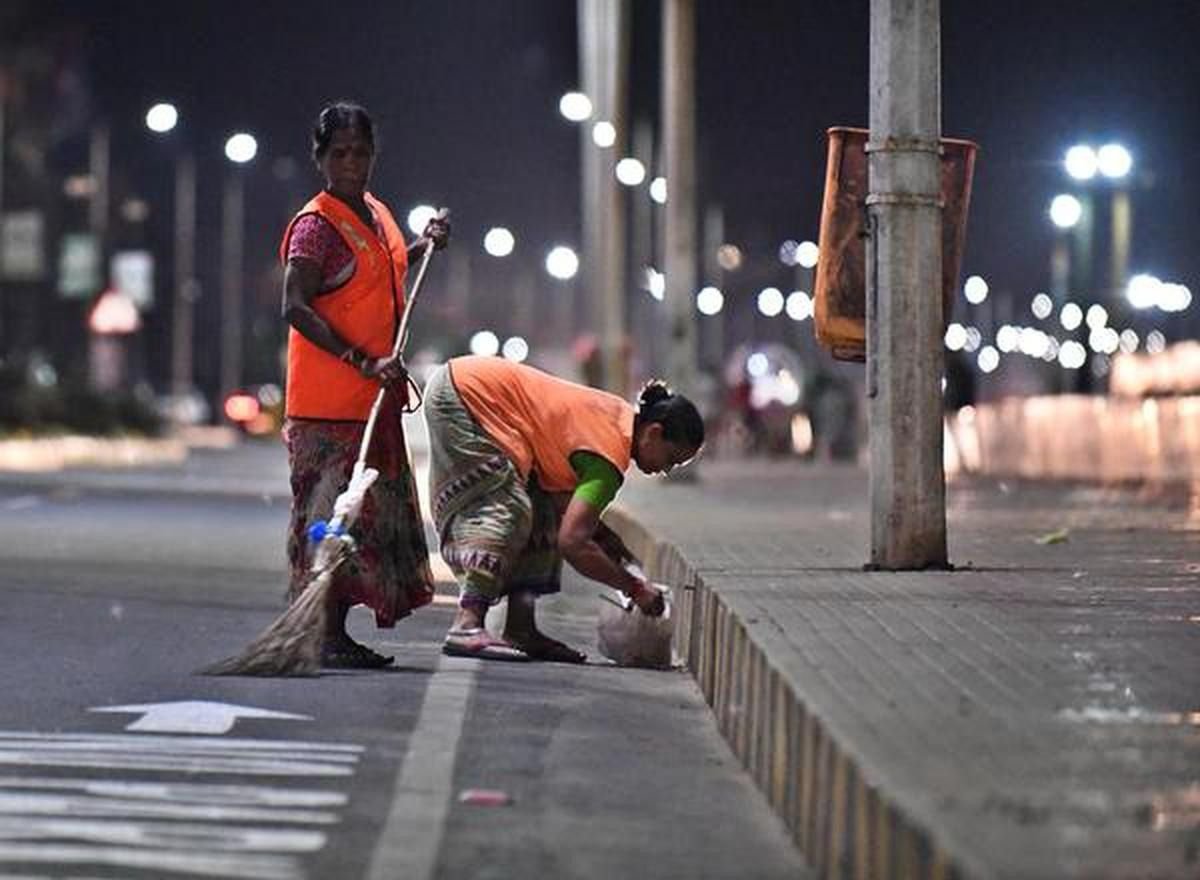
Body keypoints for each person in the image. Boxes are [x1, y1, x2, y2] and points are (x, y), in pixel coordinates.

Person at [279, 101, 449, 668]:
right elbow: (295, 306)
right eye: (339, 154)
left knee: (364, 524)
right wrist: (360, 359)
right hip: (327, 408)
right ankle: (318, 633)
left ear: (374, 155)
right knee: (331, 521)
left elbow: (385, 271)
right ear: (321, 159)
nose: (351, 163)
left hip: (370, 405)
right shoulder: (315, 226)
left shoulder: (375, 215)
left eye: (360, 152)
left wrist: (424, 246)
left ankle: (334, 633)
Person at [423, 355, 705, 662]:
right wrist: (634, 588)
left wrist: (607, 540)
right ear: (654, 433)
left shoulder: (617, 422)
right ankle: (467, 623)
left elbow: (564, 508)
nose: (666, 470)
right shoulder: (607, 460)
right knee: (509, 509)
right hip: (468, 395)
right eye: (671, 459)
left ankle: (521, 629)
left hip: (465, 383)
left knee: (543, 515)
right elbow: (573, 543)